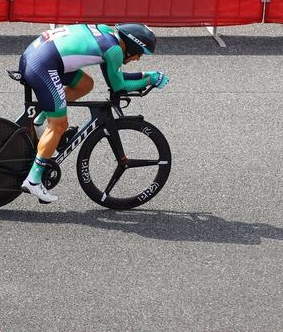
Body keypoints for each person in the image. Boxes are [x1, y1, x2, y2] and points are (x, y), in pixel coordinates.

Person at [17, 23, 169, 203]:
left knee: (85, 85)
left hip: (39, 56)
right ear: (133, 46)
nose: (138, 59)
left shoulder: (108, 36)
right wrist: (150, 78)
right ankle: (33, 180)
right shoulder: (114, 51)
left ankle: (38, 121)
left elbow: (115, 77)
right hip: (43, 65)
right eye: (140, 53)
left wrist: (147, 75)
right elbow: (118, 85)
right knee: (59, 125)